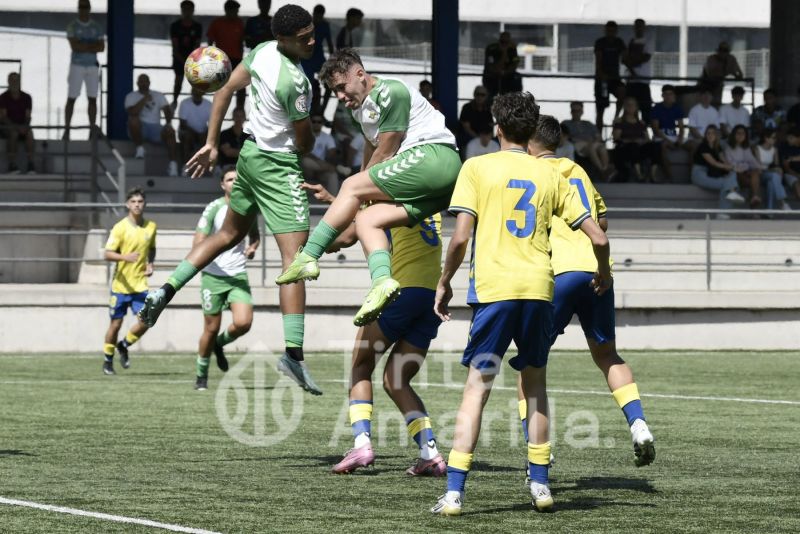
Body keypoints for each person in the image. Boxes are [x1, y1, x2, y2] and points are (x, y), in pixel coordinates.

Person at [429, 92, 611, 516]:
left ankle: (454, 494)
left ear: (497, 128)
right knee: (535, 385)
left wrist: (444, 281)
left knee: (477, 388)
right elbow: (599, 237)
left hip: (494, 290)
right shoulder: (551, 174)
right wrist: (602, 272)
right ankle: (541, 486)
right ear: (531, 132)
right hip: (538, 290)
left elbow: (460, 238)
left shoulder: (476, 167)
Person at [138, 5, 322, 396]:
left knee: (227, 235)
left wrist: (211, 144)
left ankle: (164, 291)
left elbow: (223, 90)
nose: (312, 40)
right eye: (305, 37)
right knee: (296, 261)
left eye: (312, 32)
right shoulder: (297, 83)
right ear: (285, 39)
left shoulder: (261, 51)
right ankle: (293, 354)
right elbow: (305, 143)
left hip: (249, 158)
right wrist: (308, 139)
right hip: (278, 167)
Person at [275, 48, 461, 327]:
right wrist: (357, 197)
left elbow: (386, 151)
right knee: (367, 220)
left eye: (341, 87)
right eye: (334, 91)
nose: (339, 96)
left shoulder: (391, 91)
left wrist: (356, 190)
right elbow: (370, 151)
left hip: (433, 158)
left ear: (360, 74)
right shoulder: (361, 109)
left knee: (352, 187)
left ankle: (308, 256)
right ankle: (382, 282)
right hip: (435, 186)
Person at [520, 114, 655, 469]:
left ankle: (537, 450)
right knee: (608, 355)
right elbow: (602, 221)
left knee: (530, 364)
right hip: (596, 270)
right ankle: (638, 425)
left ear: (529, 143)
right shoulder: (578, 170)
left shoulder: (531, 172)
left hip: (558, 273)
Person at [302, 182, 446, 476]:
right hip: (430, 298)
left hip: (401, 292)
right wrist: (334, 199)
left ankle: (362, 445)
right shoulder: (426, 199)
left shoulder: (386, 199)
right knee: (397, 379)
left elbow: (345, 236)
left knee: (360, 367)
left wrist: (307, 248)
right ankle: (430, 453)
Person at [194, 166, 259, 391]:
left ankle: (219, 345)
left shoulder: (248, 206)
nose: (234, 182)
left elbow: (255, 236)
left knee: (243, 323)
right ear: (222, 185)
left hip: (237, 274)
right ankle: (201, 374)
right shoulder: (214, 208)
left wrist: (252, 247)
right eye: (230, 179)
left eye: (237, 179)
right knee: (211, 329)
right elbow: (198, 241)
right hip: (213, 275)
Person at [102, 187, 156, 376]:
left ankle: (124, 345)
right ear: (127, 204)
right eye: (133, 202)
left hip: (140, 285)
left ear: (145, 204)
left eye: (140, 201)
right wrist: (125, 257)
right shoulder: (120, 227)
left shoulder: (151, 227)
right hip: (120, 286)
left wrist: (150, 263)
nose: (137, 205)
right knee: (115, 324)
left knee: (147, 321)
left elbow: (152, 248)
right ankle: (108, 361)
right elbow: (107, 254)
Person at [64, 0, 104, 140]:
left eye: (85, 7)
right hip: (77, 65)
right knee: (71, 98)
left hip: (92, 66)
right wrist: (92, 45)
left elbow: (102, 47)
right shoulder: (72, 26)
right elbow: (75, 47)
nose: (83, 9)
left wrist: (83, 45)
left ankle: (92, 129)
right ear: (78, 8)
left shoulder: (97, 27)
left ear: (89, 8)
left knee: (92, 99)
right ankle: (67, 130)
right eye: (81, 7)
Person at [125, 73, 179, 176]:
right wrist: (144, 99)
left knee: (170, 131)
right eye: (141, 81)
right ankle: (140, 149)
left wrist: (168, 123)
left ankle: (173, 165)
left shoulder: (158, 95)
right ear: (137, 83)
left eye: (146, 81)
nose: (143, 84)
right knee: (133, 120)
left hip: (156, 128)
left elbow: (166, 110)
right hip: (140, 128)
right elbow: (132, 112)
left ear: (149, 83)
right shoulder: (131, 96)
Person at [691, 125, 746, 213]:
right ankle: (723, 212)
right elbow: (714, 163)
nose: (710, 135)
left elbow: (724, 161)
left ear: (716, 135)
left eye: (713, 133)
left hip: (710, 173)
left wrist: (734, 168)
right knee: (727, 185)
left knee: (732, 175)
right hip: (699, 174)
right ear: (705, 135)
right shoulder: (703, 146)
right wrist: (732, 167)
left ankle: (731, 194)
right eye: (708, 133)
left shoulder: (718, 147)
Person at [207, 0, 245, 109]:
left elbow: (241, 42)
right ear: (227, 10)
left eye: (237, 11)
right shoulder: (217, 23)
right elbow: (210, 41)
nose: (236, 13)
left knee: (241, 86)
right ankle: (219, 108)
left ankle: (239, 109)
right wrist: (210, 58)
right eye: (235, 11)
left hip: (237, 59)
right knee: (221, 86)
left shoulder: (239, 23)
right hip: (222, 60)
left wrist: (242, 59)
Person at [612, 96, 658, 182]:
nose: (631, 107)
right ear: (625, 107)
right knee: (633, 146)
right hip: (626, 148)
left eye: (633, 105)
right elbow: (616, 138)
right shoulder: (620, 121)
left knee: (654, 147)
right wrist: (632, 141)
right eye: (628, 105)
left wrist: (642, 141)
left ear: (636, 107)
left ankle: (653, 175)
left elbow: (647, 138)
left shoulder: (641, 123)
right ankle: (639, 175)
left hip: (640, 147)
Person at [562, 101, 611, 178]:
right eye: (574, 111)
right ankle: (603, 171)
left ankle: (605, 168)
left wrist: (594, 142)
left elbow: (598, 136)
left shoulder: (588, 124)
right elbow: (564, 136)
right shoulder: (566, 123)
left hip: (592, 143)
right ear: (571, 112)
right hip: (577, 144)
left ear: (582, 111)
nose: (576, 113)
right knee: (591, 148)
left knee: (602, 147)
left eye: (578, 111)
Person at [594, 21, 627, 131]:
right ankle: (599, 135)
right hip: (602, 79)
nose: (611, 33)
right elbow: (598, 60)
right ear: (605, 30)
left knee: (622, 91)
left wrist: (632, 69)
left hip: (615, 78)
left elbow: (625, 57)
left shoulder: (619, 42)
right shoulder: (600, 42)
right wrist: (601, 74)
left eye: (613, 31)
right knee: (600, 110)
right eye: (609, 30)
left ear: (616, 31)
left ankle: (616, 118)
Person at [301, 4, 334, 114]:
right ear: (313, 14)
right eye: (316, 16)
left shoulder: (325, 26)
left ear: (322, 16)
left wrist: (334, 62)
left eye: (320, 17)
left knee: (330, 84)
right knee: (307, 87)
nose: (318, 19)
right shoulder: (306, 25)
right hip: (306, 60)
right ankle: (307, 113)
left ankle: (322, 111)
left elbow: (330, 44)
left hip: (319, 59)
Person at [169, 0, 203, 108]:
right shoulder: (175, 26)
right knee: (178, 81)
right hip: (179, 58)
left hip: (193, 59)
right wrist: (183, 62)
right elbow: (175, 47)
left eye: (189, 9)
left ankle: (196, 103)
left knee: (196, 83)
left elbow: (197, 46)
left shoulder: (197, 26)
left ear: (193, 10)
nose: (187, 12)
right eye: (185, 9)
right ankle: (175, 101)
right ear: (181, 10)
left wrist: (191, 61)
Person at [0, 72, 35, 174]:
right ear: (8, 82)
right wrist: (15, 127)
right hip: (6, 127)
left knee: (30, 133)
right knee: (13, 133)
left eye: (16, 80)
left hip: (22, 126)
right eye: (12, 80)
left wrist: (24, 126)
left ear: (20, 82)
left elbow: (28, 116)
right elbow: (3, 117)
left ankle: (31, 164)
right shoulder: (3, 97)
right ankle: (12, 164)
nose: (14, 82)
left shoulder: (27, 97)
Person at [650, 84, 686, 181]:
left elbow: (681, 128)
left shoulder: (677, 108)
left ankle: (691, 177)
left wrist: (679, 139)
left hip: (673, 136)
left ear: (674, 95)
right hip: (661, 136)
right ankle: (670, 177)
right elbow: (656, 130)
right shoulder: (656, 108)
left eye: (670, 94)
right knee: (663, 146)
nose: (668, 96)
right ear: (662, 95)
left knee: (693, 145)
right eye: (666, 94)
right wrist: (670, 142)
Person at [301, 112, 340, 194]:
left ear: (322, 124)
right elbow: (304, 152)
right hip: (308, 169)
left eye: (319, 122)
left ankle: (334, 199)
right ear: (310, 123)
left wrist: (331, 158)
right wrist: (320, 162)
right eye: (314, 121)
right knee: (305, 161)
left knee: (333, 175)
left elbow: (332, 151)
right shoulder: (304, 135)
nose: (316, 124)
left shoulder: (327, 137)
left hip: (321, 169)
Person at [724, 125, 763, 208]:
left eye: (743, 133)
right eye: (738, 133)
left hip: (746, 173)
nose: (741, 135)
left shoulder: (746, 148)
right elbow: (732, 165)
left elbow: (752, 160)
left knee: (755, 173)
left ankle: (754, 197)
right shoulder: (728, 148)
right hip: (735, 176)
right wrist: (746, 165)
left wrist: (758, 168)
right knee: (754, 183)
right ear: (734, 135)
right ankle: (754, 201)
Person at [753, 129, 791, 210]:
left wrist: (777, 169)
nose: (775, 140)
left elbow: (776, 165)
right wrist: (773, 170)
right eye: (773, 137)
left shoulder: (774, 149)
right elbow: (758, 166)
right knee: (774, 175)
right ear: (766, 138)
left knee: (771, 182)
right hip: (759, 174)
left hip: (769, 173)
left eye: (775, 138)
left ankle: (769, 211)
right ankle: (782, 202)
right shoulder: (757, 148)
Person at [623, 19, 653, 123]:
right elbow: (624, 59)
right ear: (634, 27)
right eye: (637, 26)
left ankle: (645, 131)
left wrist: (631, 63)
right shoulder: (629, 41)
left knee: (646, 109)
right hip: (631, 81)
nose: (639, 28)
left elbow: (646, 57)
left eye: (641, 26)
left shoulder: (648, 41)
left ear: (644, 28)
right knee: (630, 109)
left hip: (643, 81)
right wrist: (632, 71)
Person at [700, 42, 743, 107]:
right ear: (718, 51)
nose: (723, 53)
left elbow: (740, 74)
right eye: (721, 50)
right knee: (706, 102)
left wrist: (735, 73)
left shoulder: (731, 59)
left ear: (728, 52)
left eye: (725, 51)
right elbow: (709, 73)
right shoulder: (712, 58)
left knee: (717, 102)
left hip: (718, 85)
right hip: (706, 85)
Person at [178, 87, 212, 170]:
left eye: (199, 90)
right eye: (194, 90)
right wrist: (196, 133)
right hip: (187, 131)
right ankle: (185, 166)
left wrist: (205, 133)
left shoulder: (209, 104)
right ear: (191, 91)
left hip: (203, 132)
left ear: (203, 92)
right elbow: (182, 124)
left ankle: (212, 166)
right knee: (187, 137)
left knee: (213, 139)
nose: (196, 92)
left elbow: (212, 124)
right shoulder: (185, 103)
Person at [482, 31, 521, 98]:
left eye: (507, 42)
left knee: (517, 78)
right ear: (499, 41)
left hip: (507, 76)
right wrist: (504, 53)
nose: (504, 44)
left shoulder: (512, 49)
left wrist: (505, 72)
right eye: (502, 42)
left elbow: (515, 63)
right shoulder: (491, 49)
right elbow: (491, 66)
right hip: (492, 76)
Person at [458, 86, 493, 154]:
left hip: (484, 137)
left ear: (486, 96)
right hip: (469, 137)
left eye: (482, 95)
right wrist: (478, 138)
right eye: (478, 94)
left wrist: (488, 138)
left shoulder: (488, 109)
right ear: (474, 95)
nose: (480, 97)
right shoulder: (467, 107)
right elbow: (466, 128)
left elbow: (491, 126)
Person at [687, 88, 721, 152]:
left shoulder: (714, 111)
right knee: (695, 145)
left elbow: (717, 129)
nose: (706, 97)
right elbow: (692, 129)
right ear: (700, 96)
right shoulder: (694, 110)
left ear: (712, 97)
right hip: (696, 138)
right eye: (704, 94)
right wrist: (704, 139)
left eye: (709, 95)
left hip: (711, 138)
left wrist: (714, 138)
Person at [778, 128, 800, 201]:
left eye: (791, 138)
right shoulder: (784, 147)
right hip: (790, 174)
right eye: (787, 137)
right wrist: (797, 175)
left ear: (798, 138)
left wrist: (793, 158)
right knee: (797, 185)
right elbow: (786, 168)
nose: (788, 140)